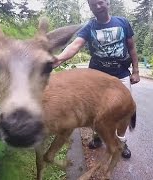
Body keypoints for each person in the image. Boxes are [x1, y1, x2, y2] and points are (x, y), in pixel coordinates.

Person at [53, 0, 140, 159]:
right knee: (95, 111)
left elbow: (132, 48)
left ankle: (121, 141)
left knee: (122, 110)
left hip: (120, 74)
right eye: (93, 4)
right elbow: (75, 45)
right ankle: (99, 137)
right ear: (90, 7)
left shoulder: (122, 22)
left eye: (100, 3)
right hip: (96, 79)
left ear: (107, 2)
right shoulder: (89, 27)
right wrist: (58, 59)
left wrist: (135, 71)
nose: (97, 7)